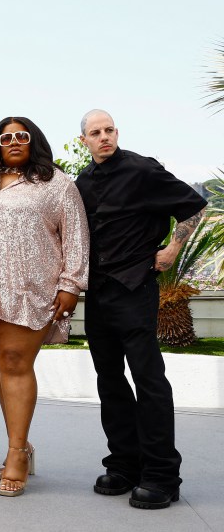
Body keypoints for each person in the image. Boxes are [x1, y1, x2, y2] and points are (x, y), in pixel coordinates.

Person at [75, 109, 205, 509]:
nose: (104, 137)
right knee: (109, 381)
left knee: (149, 381)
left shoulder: (142, 170)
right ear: (84, 141)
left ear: (117, 132)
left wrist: (172, 248)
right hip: (97, 293)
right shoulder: (80, 183)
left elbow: (194, 206)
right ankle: (124, 464)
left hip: (136, 288)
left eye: (109, 130)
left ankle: (163, 475)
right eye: (95, 133)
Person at [0, 116, 89, 497]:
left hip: (32, 288)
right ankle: (22, 442)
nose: (14, 141)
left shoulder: (57, 184)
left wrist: (72, 284)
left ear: (34, 141)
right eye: (6, 137)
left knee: (16, 362)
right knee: (3, 364)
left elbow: (76, 234)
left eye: (22, 136)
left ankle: (16, 452)